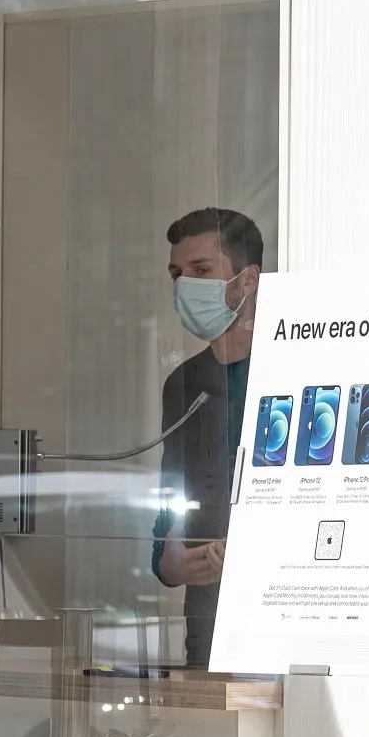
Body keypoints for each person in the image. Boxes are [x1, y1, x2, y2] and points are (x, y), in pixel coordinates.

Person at [151, 207, 263, 668]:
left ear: (247, 280)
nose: (186, 287)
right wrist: (167, 561)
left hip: (279, 619)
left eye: (202, 271)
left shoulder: (292, 369)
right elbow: (170, 499)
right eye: (178, 274)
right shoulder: (183, 383)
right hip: (208, 629)